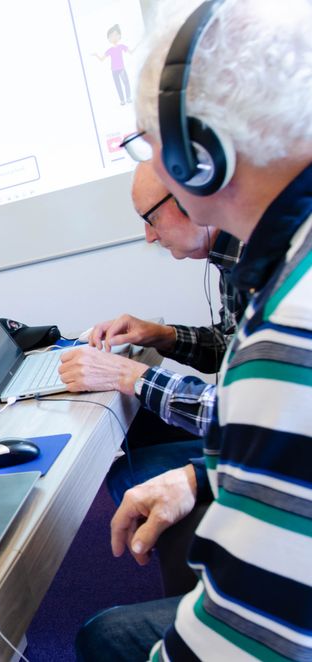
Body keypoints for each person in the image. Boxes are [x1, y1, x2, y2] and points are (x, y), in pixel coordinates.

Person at [75, 0, 312, 659]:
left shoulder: (290, 327)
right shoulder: (288, 266)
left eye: (155, 143)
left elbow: (244, 645)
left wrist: (132, 375)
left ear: (196, 156)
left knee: (103, 639)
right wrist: (208, 478)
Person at [60, 162, 245, 503]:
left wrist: (133, 376)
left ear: (192, 201)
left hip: (271, 453)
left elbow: (250, 419)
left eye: (151, 219)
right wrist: (159, 334)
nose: (149, 236)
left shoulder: (268, 268)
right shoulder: (234, 259)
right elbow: (227, 344)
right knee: (136, 420)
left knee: (129, 469)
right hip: (253, 432)